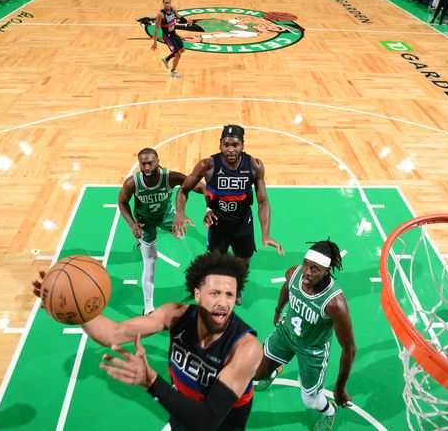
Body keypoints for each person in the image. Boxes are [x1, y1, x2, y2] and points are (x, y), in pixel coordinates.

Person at [31, 252, 263, 431]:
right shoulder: (175, 315)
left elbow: (208, 420)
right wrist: (74, 308)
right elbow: (115, 333)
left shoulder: (245, 348)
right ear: (197, 294)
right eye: (215, 293)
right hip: (180, 416)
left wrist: (151, 381)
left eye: (229, 294)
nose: (223, 302)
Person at [173, 125, 284, 304]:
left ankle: (236, 287)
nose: (231, 149)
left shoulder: (254, 166)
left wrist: (265, 234)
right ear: (220, 145)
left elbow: (263, 201)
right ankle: (217, 289)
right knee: (216, 262)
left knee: (244, 261)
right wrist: (180, 212)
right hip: (218, 224)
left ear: (242, 145)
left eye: (235, 144)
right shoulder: (207, 165)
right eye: (226, 144)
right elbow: (184, 189)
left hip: (243, 223)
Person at [254, 239, 356, 431]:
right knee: (257, 372)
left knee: (310, 401)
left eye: (315, 269)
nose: (307, 272)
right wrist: (278, 311)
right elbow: (287, 288)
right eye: (306, 265)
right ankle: (273, 371)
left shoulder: (335, 303)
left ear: (326, 271)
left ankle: (329, 412)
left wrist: (340, 388)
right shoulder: (294, 274)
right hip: (286, 334)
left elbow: (349, 349)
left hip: (312, 350)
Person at [118, 148, 204, 314]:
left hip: (166, 216)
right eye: (143, 163)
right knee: (150, 262)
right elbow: (122, 202)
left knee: (183, 238)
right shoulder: (132, 183)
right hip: (145, 222)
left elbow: (192, 184)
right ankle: (148, 307)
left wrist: (208, 192)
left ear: (158, 161)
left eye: (150, 162)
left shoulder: (169, 177)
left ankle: (197, 277)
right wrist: (132, 224)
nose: (147, 167)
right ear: (139, 164)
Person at [151, 0, 185, 78]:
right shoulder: (161, 14)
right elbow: (156, 29)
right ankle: (172, 72)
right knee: (178, 54)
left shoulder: (173, 9)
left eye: (168, 2)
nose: (167, 4)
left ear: (170, 3)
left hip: (174, 33)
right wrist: (154, 42)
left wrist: (187, 21)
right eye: (165, 3)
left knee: (182, 49)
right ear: (163, 4)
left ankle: (166, 59)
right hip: (167, 36)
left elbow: (179, 16)